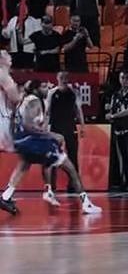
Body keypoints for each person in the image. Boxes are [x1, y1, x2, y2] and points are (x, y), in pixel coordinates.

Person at [0, 79, 101, 215]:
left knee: (24, 165)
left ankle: (7, 196)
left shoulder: (23, 101)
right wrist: (51, 135)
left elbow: (16, 121)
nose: (47, 88)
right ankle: (86, 203)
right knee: (70, 168)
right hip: (32, 141)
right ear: (35, 89)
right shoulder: (34, 101)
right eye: (43, 86)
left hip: (23, 141)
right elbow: (29, 125)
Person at [106, 70, 128, 190]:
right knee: (122, 157)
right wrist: (109, 115)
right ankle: (123, 180)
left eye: (127, 78)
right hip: (118, 130)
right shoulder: (115, 94)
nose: (124, 80)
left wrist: (114, 116)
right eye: (122, 78)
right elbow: (111, 109)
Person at [46, 71, 84, 178]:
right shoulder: (52, 93)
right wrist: (45, 128)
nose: (64, 80)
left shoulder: (74, 92)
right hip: (56, 128)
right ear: (57, 78)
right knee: (54, 156)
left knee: (73, 155)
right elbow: (47, 112)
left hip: (70, 127)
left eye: (66, 77)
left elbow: (78, 110)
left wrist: (82, 126)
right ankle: (52, 184)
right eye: (61, 77)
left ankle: (74, 183)